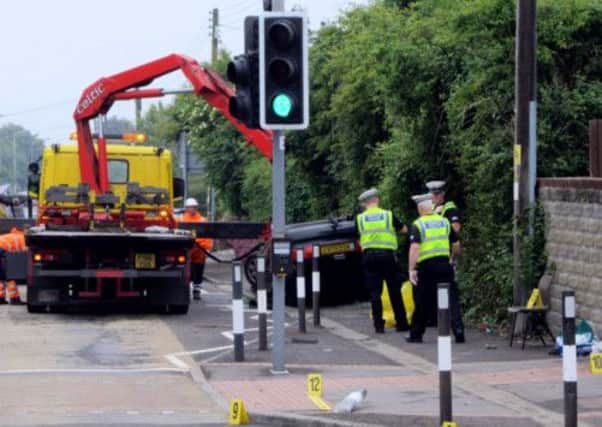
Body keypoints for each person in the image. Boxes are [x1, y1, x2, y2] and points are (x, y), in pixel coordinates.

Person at [407, 194, 463, 343]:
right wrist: (453, 259)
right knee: (452, 298)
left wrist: (411, 269)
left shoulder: (418, 224)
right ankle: (459, 331)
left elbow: (415, 247)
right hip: (445, 265)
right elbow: (456, 244)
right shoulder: (444, 222)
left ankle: (416, 334)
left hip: (426, 268)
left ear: (420, 209)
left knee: (423, 301)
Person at [356, 188, 409, 334]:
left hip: (369, 257)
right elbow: (404, 230)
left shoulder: (360, 218)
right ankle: (402, 323)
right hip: (387, 256)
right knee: (394, 290)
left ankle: (378, 325)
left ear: (365, 203)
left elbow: (357, 236)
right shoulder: (388, 215)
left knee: (374, 292)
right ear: (377, 200)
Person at [177, 198, 213, 301]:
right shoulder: (181, 219)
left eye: (194, 207)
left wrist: (207, 248)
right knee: (186, 270)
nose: (192, 209)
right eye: (190, 207)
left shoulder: (202, 220)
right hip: (186, 249)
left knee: (198, 271)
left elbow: (207, 235)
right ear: (186, 208)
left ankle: (196, 291)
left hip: (199, 250)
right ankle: (185, 289)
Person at [0, 228, 26, 305]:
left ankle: (1, 298)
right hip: (2, 250)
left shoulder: (11, 235)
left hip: (2, 249)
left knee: (1, 275)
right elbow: (25, 251)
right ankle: (14, 298)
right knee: (10, 274)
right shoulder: (22, 238)